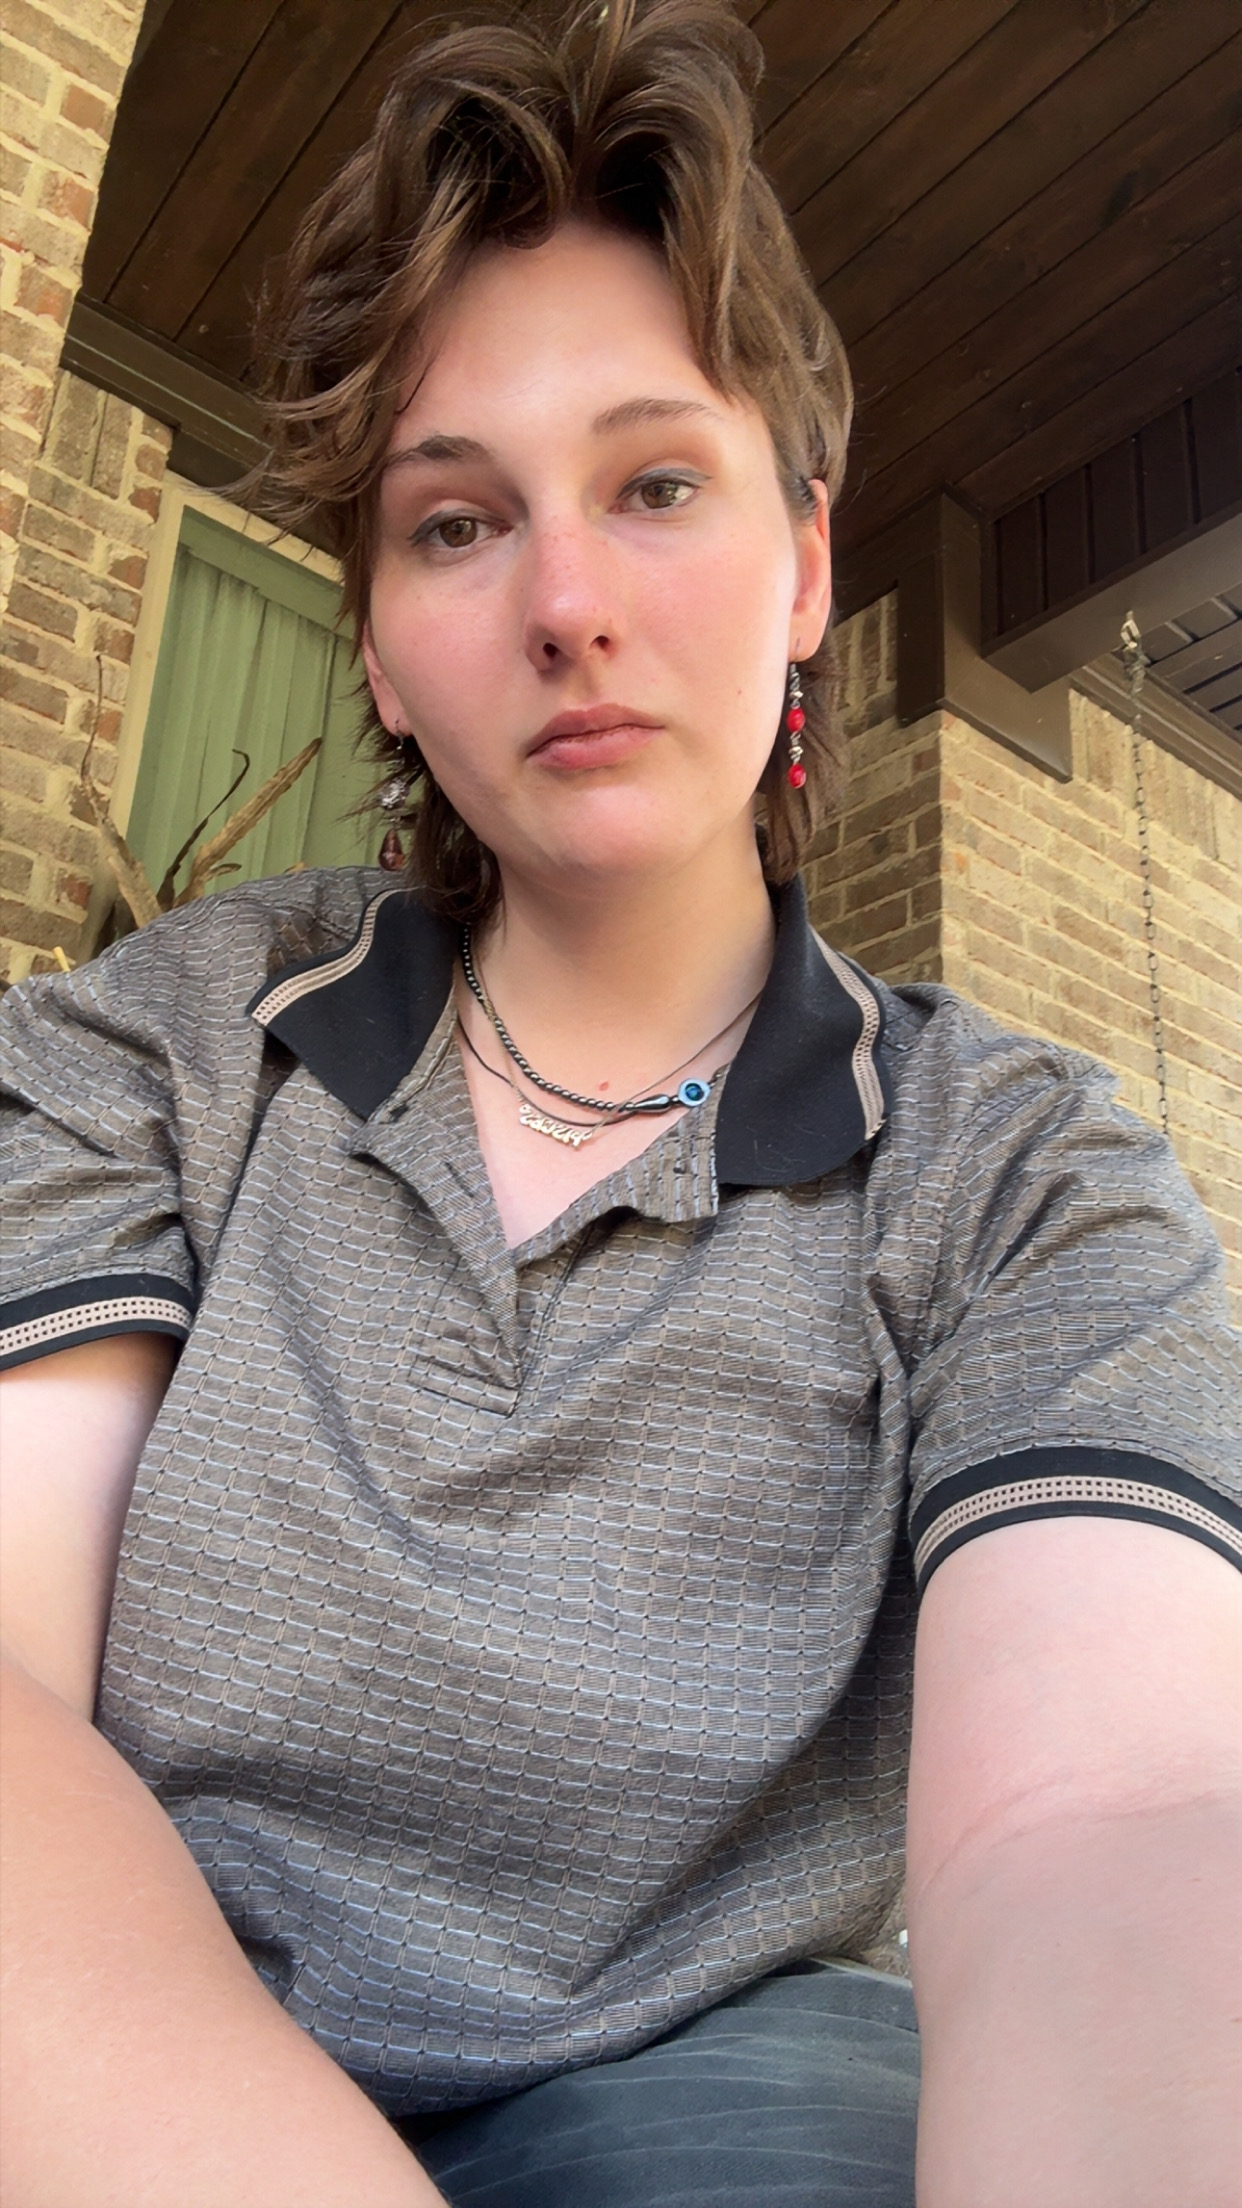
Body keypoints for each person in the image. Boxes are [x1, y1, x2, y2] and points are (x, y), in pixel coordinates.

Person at [1, 3, 1238, 2202]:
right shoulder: (162, 1045)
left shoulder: (1025, 1183)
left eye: (657, 485)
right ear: (378, 650)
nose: (566, 602)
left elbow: (1112, 1823)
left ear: (806, 567)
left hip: (714, 2092)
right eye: (454, 524)